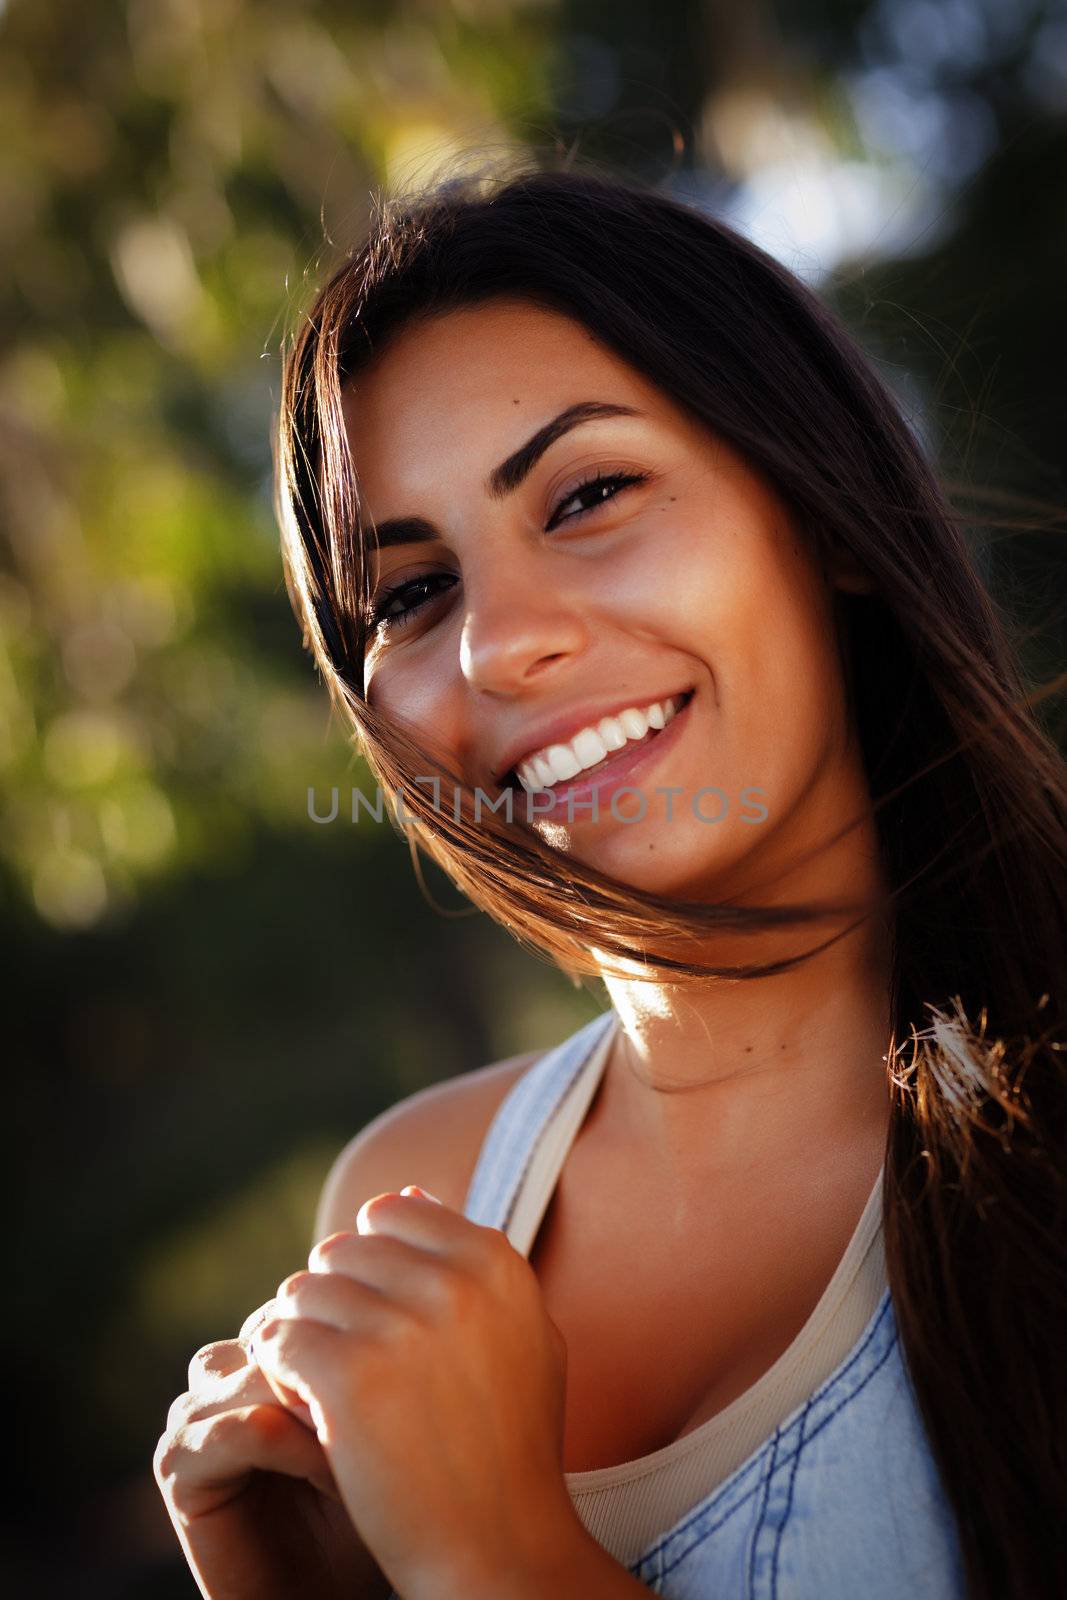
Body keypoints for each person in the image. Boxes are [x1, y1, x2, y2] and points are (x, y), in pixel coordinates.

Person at [154, 157, 1067, 1600]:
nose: (500, 645)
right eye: (411, 591)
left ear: (818, 510)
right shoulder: (417, 1198)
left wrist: (501, 1553)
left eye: (588, 494)